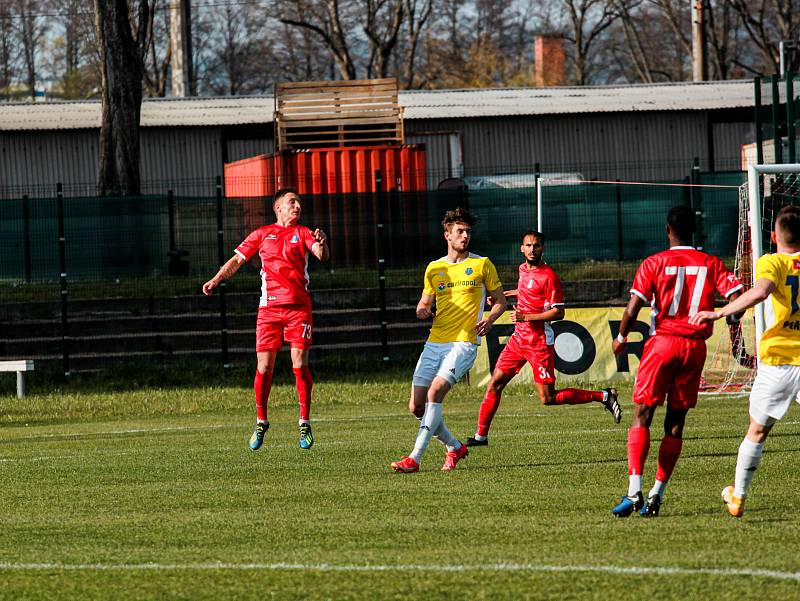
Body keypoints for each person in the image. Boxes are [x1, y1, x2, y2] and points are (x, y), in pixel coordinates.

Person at [611, 205, 743, 518]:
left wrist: (620, 337)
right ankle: (657, 494)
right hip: (694, 347)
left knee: (643, 413)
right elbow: (737, 299)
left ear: (667, 230)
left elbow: (633, 307)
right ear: (693, 232)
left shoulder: (654, 262)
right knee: (676, 421)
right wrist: (727, 315)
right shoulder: (711, 263)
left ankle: (634, 491)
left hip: (663, 344)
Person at [690, 204, 800, 518]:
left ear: (773, 235)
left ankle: (738, 496)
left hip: (778, 361)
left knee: (757, 431)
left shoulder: (772, 262)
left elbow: (761, 291)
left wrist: (722, 310)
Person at [466, 231, 622, 447]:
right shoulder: (522, 269)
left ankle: (604, 396)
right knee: (495, 384)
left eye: (536, 245)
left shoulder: (549, 276)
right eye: (528, 245)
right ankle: (480, 437)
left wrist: (526, 316)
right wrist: (504, 297)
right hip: (518, 339)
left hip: (539, 342)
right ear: (521, 248)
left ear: (543, 248)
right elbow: (525, 291)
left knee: (548, 398)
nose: (532, 249)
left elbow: (559, 312)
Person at [202, 188, 329, 451]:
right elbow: (237, 260)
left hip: (298, 309)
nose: (297, 206)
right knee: (264, 368)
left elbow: (320, 254)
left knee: (299, 362)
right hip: (269, 311)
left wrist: (323, 242)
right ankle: (261, 421)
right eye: (292, 202)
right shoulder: (262, 234)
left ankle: (304, 422)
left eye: (299, 203)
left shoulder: (303, 232)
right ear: (278, 208)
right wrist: (216, 279)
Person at [391, 207, 506, 473]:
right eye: (460, 232)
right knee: (416, 406)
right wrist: (422, 310)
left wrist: (489, 320)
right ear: (447, 235)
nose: (465, 236)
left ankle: (414, 458)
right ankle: (454, 447)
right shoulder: (434, 268)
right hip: (435, 341)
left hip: (464, 343)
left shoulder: (481, 264)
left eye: (468, 232)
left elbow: (501, 301)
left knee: (435, 393)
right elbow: (424, 301)